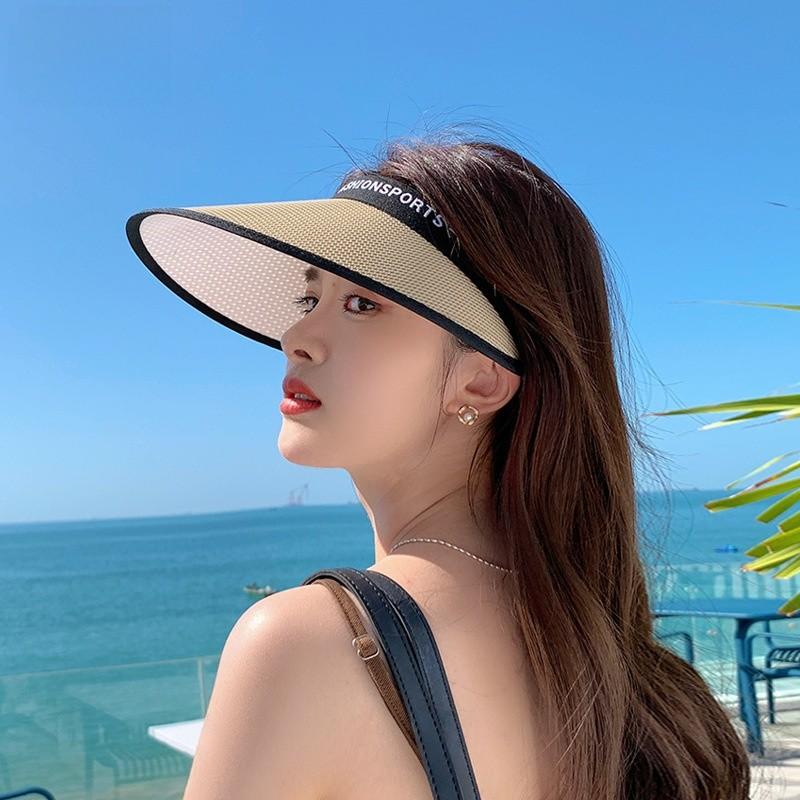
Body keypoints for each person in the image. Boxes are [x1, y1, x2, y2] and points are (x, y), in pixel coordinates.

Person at [126, 124, 750, 799]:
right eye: (310, 297)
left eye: (362, 303)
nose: (297, 336)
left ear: (481, 380)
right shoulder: (619, 669)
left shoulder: (304, 646)